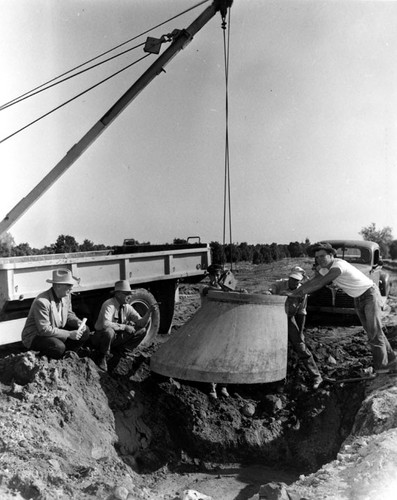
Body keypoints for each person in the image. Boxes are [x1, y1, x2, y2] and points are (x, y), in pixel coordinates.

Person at [289, 242, 397, 375]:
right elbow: (313, 281)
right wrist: (297, 290)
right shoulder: (325, 269)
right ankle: (391, 358)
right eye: (317, 257)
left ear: (331, 255)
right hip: (357, 298)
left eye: (322, 256)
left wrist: (297, 293)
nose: (319, 260)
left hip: (370, 295)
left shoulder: (338, 266)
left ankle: (381, 367)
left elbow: (321, 282)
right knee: (372, 331)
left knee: (374, 332)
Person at [267, 269, 323, 389]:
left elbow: (302, 313)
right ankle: (270, 378)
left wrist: (301, 332)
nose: (293, 282)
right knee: (272, 346)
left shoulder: (303, 291)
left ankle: (316, 376)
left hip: (289, 317)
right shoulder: (279, 285)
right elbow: (269, 292)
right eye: (292, 279)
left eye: (296, 280)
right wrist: (269, 293)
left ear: (300, 280)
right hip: (273, 318)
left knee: (300, 346)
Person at [21, 268, 90, 359]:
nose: (71, 288)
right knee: (58, 347)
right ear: (58, 286)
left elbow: (68, 314)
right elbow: (44, 329)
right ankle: (46, 358)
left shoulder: (66, 296)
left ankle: (68, 355)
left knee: (85, 330)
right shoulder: (42, 302)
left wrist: (77, 322)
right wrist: (69, 334)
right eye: (68, 285)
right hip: (36, 335)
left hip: (54, 329)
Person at [92, 280, 159, 372]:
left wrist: (148, 313)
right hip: (100, 338)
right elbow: (106, 324)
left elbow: (140, 323)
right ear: (118, 294)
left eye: (130, 294)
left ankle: (121, 351)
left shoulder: (126, 307)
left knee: (142, 331)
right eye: (127, 294)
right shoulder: (109, 304)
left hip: (115, 337)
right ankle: (102, 356)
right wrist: (125, 327)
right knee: (109, 331)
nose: (130, 296)